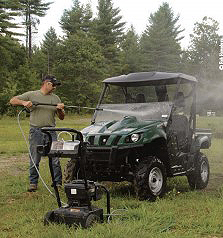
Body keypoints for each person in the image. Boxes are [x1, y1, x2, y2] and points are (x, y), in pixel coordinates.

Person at [10, 75, 65, 192]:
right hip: (36, 131)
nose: (55, 87)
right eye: (54, 85)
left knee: (55, 158)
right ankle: (33, 183)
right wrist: (24, 102)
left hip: (52, 131)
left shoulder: (56, 98)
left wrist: (60, 110)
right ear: (47, 83)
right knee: (35, 158)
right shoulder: (32, 94)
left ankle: (57, 183)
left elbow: (62, 118)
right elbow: (12, 100)